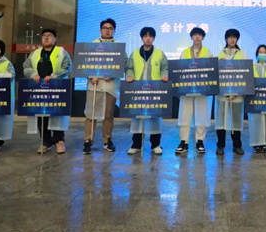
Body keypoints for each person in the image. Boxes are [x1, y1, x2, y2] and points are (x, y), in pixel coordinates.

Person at [23, 29, 72, 154]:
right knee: (42, 115)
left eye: (49, 36)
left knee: (57, 114)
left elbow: (67, 67)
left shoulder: (61, 52)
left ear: (55, 39)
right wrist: (33, 74)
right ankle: (46, 141)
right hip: (39, 89)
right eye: (44, 36)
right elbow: (26, 67)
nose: (46, 38)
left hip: (57, 88)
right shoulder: (35, 53)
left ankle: (59, 141)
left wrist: (54, 76)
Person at [125, 27, 169, 155]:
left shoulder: (160, 53)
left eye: (150, 36)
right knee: (137, 118)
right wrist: (129, 76)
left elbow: (165, 68)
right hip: (138, 90)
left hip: (154, 90)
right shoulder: (134, 54)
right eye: (145, 36)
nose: (148, 38)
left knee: (155, 118)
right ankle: (136, 145)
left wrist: (164, 76)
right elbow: (129, 68)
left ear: (153, 38)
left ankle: (156, 145)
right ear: (142, 38)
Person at [83, 19, 118, 155]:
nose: (107, 30)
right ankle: (88, 141)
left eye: (110, 28)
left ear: (114, 30)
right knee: (91, 115)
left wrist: (113, 75)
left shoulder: (118, 47)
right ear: (100, 30)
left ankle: (107, 140)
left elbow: (123, 64)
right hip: (94, 85)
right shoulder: (92, 45)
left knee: (108, 115)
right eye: (105, 28)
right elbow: (84, 64)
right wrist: (90, 76)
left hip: (110, 86)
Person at [176, 27, 212, 155]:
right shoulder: (185, 52)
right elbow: (179, 70)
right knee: (184, 115)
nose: (197, 37)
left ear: (203, 37)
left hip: (202, 89)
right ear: (191, 37)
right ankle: (183, 142)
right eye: (195, 35)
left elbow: (210, 71)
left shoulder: (208, 53)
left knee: (202, 115)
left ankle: (200, 141)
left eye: (200, 35)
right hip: (187, 88)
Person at [215, 29, 246, 156]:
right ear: (226, 39)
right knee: (221, 121)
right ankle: (220, 145)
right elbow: (216, 74)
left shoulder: (242, 54)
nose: (232, 39)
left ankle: (237, 145)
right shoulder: (220, 54)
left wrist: (237, 92)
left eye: (234, 37)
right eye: (230, 37)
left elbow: (245, 75)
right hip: (222, 94)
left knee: (236, 121)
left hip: (237, 94)